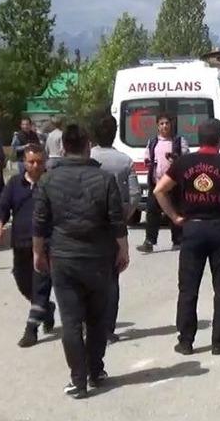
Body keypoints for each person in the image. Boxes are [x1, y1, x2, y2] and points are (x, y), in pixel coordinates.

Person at [33, 124, 129, 399]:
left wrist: (38, 253)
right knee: (97, 319)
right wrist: (123, 250)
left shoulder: (48, 180)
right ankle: (96, 370)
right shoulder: (104, 179)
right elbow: (116, 220)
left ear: (63, 147)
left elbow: (40, 222)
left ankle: (79, 380)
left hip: (64, 258)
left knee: (72, 321)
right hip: (99, 258)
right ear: (87, 145)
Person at [152, 118, 220, 356]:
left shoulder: (184, 162)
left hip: (192, 228)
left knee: (188, 287)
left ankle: (186, 341)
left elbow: (159, 190)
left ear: (198, 139)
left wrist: (174, 217)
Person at [0, 144, 55, 348]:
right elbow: (3, 206)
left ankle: (31, 330)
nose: (36, 165)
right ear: (25, 163)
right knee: (23, 282)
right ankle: (46, 309)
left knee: (40, 285)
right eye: (31, 162)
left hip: (45, 243)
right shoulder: (14, 183)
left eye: (39, 161)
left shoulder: (50, 182)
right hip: (20, 243)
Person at [90, 115, 141, 344]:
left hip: (88, 225)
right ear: (115, 132)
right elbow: (135, 194)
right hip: (114, 227)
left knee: (87, 277)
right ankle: (108, 330)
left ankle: (88, 325)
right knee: (112, 280)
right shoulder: (125, 161)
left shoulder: (87, 158)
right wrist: (123, 217)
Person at [141, 114, 189, 253]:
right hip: (156, 183)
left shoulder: (179, 141)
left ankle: (178, 240)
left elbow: (186, 160)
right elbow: (147, 158)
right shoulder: (152, 142)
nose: (164, 126)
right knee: (152, 212)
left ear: (171, 124)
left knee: (176, 211)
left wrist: (176, 159)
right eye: (161, 123)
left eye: (167, 123)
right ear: (157, 125)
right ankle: (149, 241)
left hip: (173, 184)